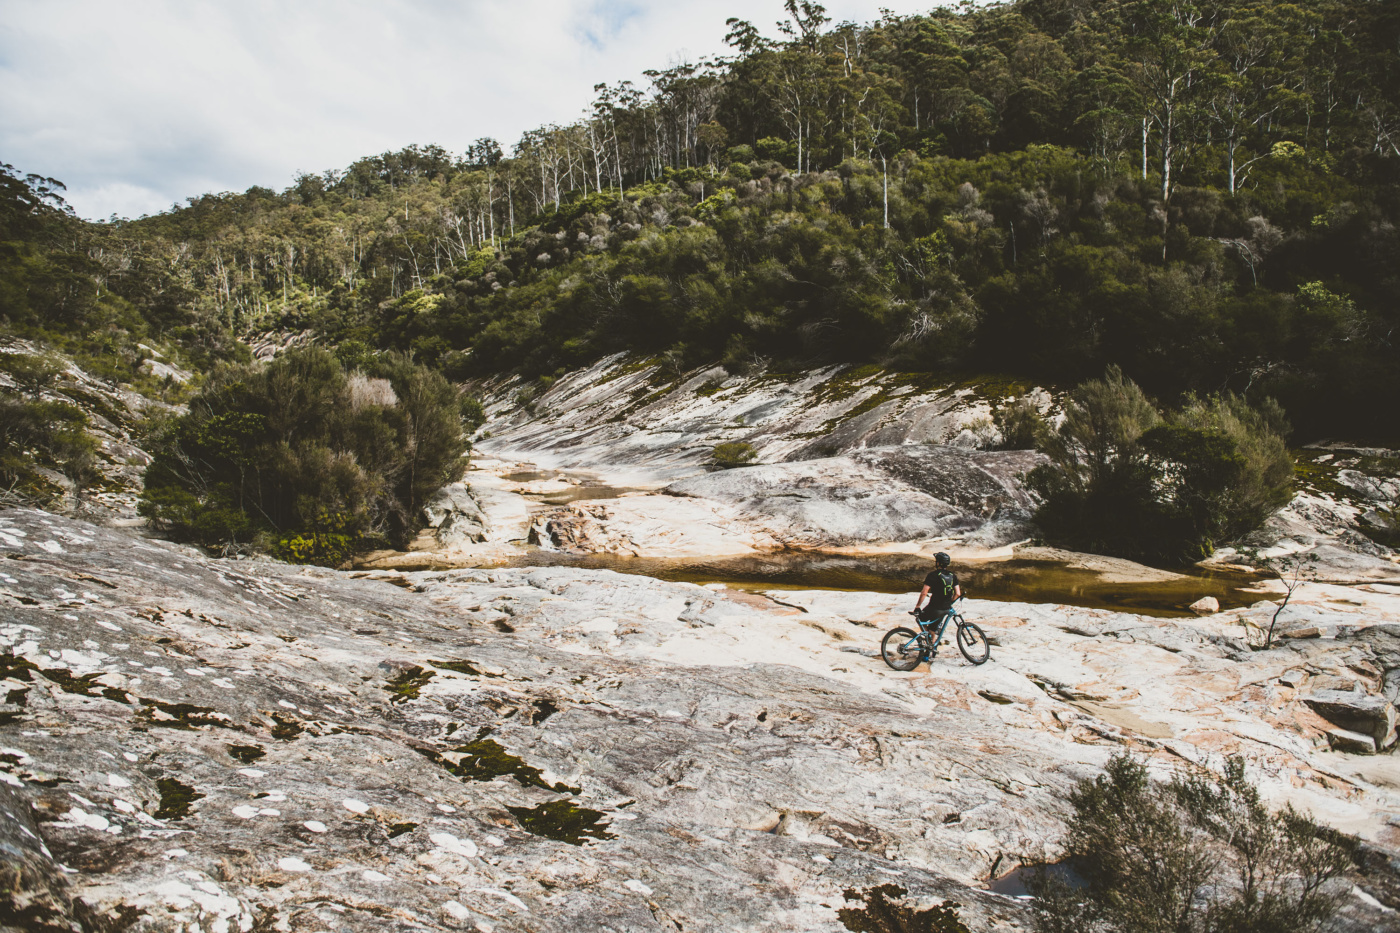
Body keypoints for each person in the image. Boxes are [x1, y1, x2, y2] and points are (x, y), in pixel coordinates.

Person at [913, 552, 961, 633]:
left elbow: (924, 592)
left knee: (920, 619)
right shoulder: (953, 575)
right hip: (946, 608)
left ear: (938, 563)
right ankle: (932, 643)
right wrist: (949, 602)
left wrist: (917, 606)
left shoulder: (933, 575)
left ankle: (927, 639)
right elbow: (958, 594)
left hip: (934, 607)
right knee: (933, 629)